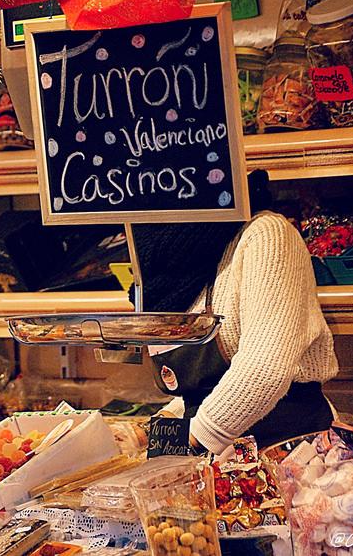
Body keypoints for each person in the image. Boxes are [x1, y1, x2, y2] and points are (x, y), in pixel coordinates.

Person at [133, 172, 338, 455]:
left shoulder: (266, 235)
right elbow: (207, 388)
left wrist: (187, 442)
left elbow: (264, 369)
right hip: (215, 458)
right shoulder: (176, 273)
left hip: (286, 453)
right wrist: (153, 429)